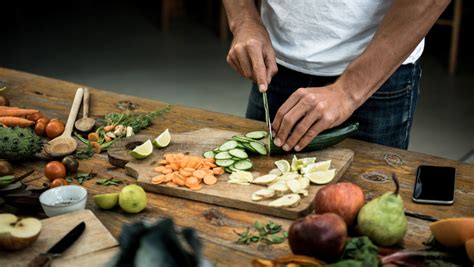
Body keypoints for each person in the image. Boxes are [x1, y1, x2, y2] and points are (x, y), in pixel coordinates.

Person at [222, 0, 450, 151]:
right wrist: (244, 18)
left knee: (364, 217)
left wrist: (347, 91)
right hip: (275, 64)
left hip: (374, 74)